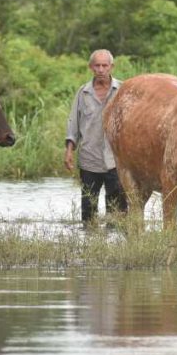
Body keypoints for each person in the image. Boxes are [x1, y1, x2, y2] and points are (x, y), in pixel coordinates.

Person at [64, 49, 128, 225]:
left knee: (117, 211)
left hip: (116, 160)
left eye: (104, 65)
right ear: (91, 67)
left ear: (111, 67)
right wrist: (69, 151)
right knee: (88, 210)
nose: (101, 69)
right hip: (89, 158)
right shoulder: (83, 93)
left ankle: (115, 247)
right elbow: (73, 123)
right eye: (97, 65)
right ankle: (89, 244)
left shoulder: (123, 90)